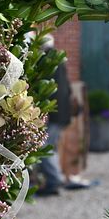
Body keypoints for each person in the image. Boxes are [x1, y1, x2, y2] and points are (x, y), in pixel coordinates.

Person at [37, 36, 72, 196]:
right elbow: (68, 88)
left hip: (55, 113)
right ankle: (54, 178)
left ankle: (54, 180)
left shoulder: (48, 60)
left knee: (45, 148)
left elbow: (50, 90)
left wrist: (46, 111)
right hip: (63, 111)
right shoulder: (60, 60)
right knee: (51, 147)